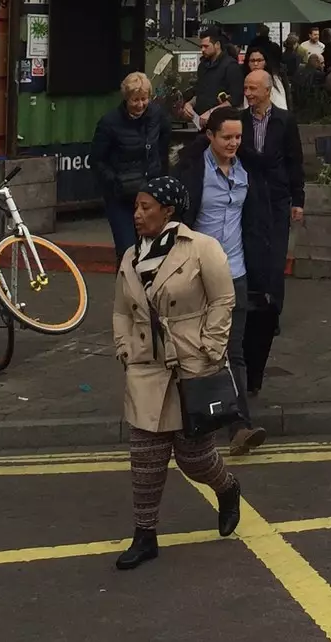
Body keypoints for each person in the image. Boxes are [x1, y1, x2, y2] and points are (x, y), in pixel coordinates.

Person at [110, 176, 243, 571]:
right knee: (145, 456)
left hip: (191, 362)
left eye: (146, 207)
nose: (137, 214)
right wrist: (125, 349)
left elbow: (223, 300)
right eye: (136, 207)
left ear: (168, 211)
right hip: (146, 364)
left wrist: (211, 347)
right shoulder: (130, 256)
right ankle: (144, 535)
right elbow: (121, 310)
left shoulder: (202, 248)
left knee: (193, 456)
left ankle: (228, 488)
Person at [172, 114, 258, 448]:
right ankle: (191, 421)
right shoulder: (192, 170)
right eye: (227, 137)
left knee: (233, 351)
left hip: (234, 272)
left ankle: (240, 427)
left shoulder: (247, 170)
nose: (234, 143)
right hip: (196, 273)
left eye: (238, 137)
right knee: (195, 350)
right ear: (210, 136)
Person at [231, 67, 304, 447]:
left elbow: (295, 161)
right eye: (245, 87)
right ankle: (248, 361)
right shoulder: (238, 122)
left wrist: (298, 200)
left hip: (276, 201)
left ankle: (269, 316)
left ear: (266, 91)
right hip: (247, 203)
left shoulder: (284, 121)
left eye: (253, 88)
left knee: (272, 277)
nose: (248, 93)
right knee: (250, 274)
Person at [92, 72, 169, 258]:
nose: (140, 104)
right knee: (128, 251)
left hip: (150, 194)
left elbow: (163, 148)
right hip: (121, 197)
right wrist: (115, 182)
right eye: (135, 100)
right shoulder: (109, 122)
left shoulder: (157, 116)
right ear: (126, 98)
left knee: (151, 250)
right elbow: (96, 159)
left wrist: (160, 177)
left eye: (144, 99)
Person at [190, 26, 245, 128]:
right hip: (201, 122)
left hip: (223, 123)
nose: (202, 49)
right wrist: (189, 105)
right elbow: (199, 92)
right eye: (201, 46)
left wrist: (211, 112)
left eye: (206, 46)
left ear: (217, 45)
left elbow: (236, 98)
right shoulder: (202, 66)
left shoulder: (230, 66)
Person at [243, 43, 290, 112]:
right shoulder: (245, 79)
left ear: (265, 62)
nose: (256, 64)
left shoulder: (274, 80)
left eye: (259, 60)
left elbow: (281, 106)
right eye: (252, 61)